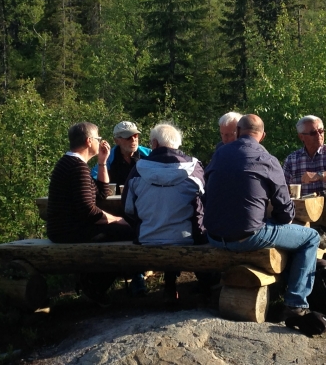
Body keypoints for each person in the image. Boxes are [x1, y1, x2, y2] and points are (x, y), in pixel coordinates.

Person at [203, 114, 320, 321]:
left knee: (256, 224)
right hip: (247, 237)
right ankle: (295, 304)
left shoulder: (219, 155)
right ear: (263, 136)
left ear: (238, 132)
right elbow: (286, 212)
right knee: (311, 237)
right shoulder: (266, 159)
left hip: (213, 235)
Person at [124, 122, 215, 299]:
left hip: (146, 237)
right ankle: (206, 285)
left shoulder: (138, 169)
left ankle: (170, 285)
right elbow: (208, 201)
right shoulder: (194, 167)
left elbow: (128, 208)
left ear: (155, 144)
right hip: (189, 238)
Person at [47, 122, 133, 303]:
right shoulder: (77, 168)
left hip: (64, 230)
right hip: (69, 232)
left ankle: (91, 281)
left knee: (120, 231)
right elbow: (89, 211)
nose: (100, 141)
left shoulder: (72, 164)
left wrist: (102, 162)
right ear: (89, 141)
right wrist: (117, 219)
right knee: (128, 233)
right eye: (98, 138)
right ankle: (94, 286)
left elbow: (102, 193)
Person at [283, 115, 326, 249]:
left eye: (321, 131)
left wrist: (320, 175)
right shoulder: (292, 160)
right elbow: (281, 189)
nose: (319, 135)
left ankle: (325, 231)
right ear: (301, 137)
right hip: (305, 213)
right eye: (313, 133)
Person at [91, 121, 151, 192]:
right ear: (116, 141)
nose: (133, 139)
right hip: (116, 200)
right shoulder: (109, 157)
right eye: (128, 137)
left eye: (135, 136)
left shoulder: (148, 154)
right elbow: (94, 176)